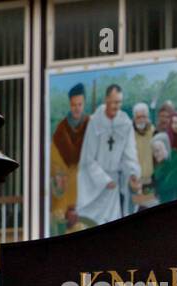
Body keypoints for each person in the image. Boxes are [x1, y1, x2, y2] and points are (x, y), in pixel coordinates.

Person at [77, 84, 141, 226]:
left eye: (119, 102)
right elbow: (88, 159)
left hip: (115, 185)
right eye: (113, 102)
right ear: (106, 99)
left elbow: (129, 155)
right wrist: (105, 180)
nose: (116, 106)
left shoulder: (125, 123)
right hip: (95, 185)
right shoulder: (94, 122)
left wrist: (132, 174)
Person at [50, 83, 89, 233]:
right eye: (74, 105)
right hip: (67, 190)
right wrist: (58, 173)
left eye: (80, 104)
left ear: (83, 103)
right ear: (70, 104)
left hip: (86, 188)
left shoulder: (91, 126)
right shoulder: (61, 129)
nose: (77, 108)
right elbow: (54, 159)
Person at [150, 133, 177, 204]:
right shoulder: (161, 165)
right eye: (153, 152)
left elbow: (166, 185)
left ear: (166, 147)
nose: (155, 155)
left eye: (157, 151)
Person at [130, 102, 155, 211]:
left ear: (148, 117)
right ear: (134, 118)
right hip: (134, 183)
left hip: (150, 181)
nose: (141, 120)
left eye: (143, 116)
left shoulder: (153, 132)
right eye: (138, 117)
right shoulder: (129, 133)